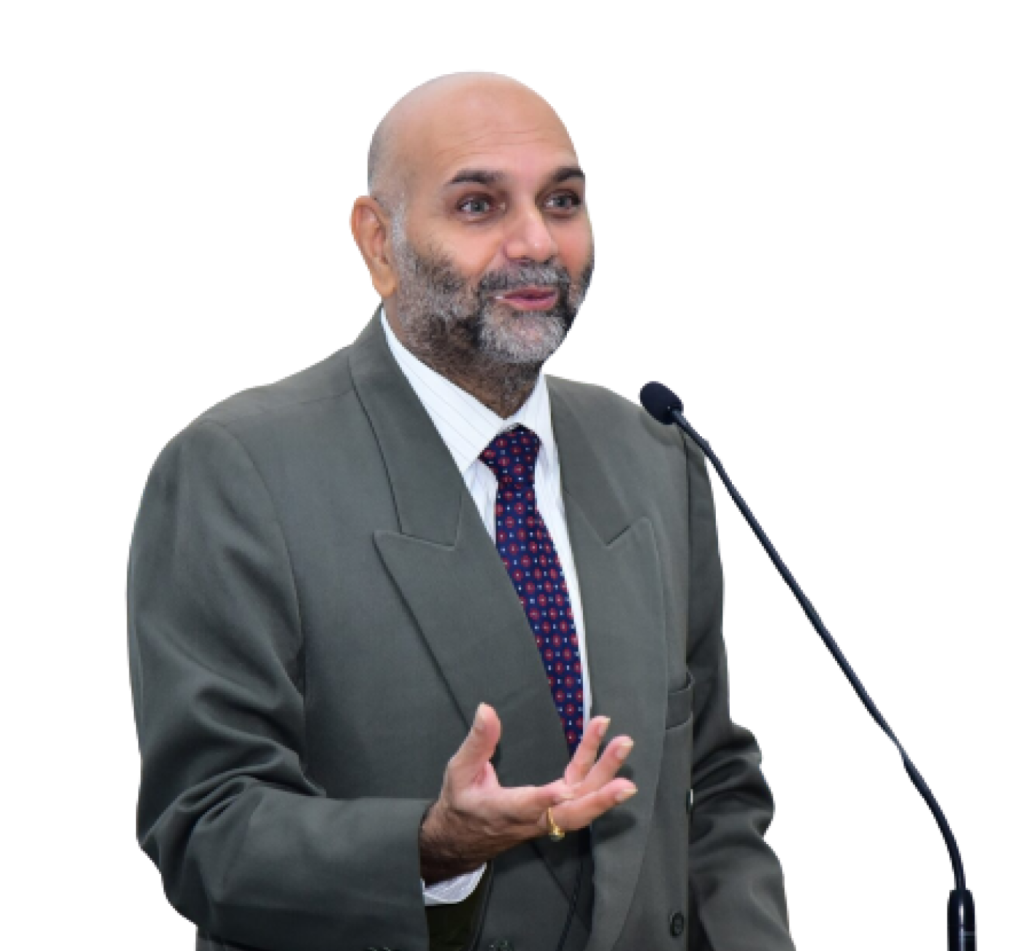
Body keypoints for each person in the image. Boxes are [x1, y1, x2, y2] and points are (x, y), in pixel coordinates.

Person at [127, 70, 796, 950]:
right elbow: (205, 832)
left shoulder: (654, 452)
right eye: (478, 205)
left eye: (563, 201)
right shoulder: (235, 470)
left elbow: (713, 782)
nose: (537, 242)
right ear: (377, 242)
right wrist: (430, 846)